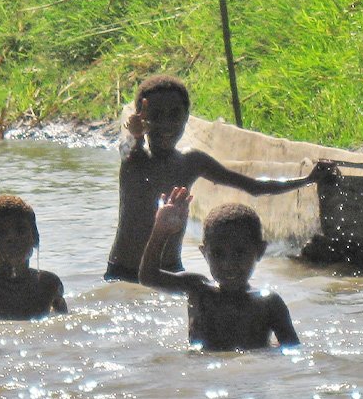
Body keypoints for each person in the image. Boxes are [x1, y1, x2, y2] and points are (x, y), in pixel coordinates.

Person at [105, 74, 332, 281]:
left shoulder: (190, 162)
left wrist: (308, 180)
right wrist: (134, 136)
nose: (166, 124)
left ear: (186, 118)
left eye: (175, 115)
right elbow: (126, 149)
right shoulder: (135, 158)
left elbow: (253, 186)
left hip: (171, 272)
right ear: (140, 119)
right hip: (123, 273)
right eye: (155, 116)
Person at [139, 186, 298, 351]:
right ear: (204, 253)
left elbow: (292, 350)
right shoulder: (199, 290)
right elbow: (148, 277)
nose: (228, 264)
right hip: (202, 375)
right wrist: (161, 231)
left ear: (259, 251)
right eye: (218, 254)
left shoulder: (269, 303)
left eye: (239, 253)